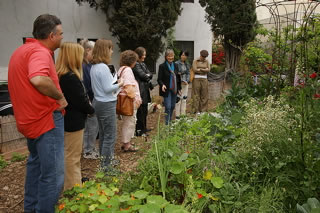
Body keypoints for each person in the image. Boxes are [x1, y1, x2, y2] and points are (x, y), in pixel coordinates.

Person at [8, 14, 67, 213]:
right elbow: (39, 79)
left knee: (35, 167)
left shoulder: (21, 50)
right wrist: (59, 97)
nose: (62, 37)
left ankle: (31, 209)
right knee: (53, 175)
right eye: (60, 34)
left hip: (29, 121)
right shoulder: (41, 53)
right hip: (46, 121)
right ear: (51, 35)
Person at [56, 42, 95, 190]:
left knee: (68, 154)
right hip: (74, 122)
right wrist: (91, 110)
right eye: (80, 55)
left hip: (67, 120)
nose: (82, 58)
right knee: (72, 156)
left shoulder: (61, 75)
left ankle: (74, 180)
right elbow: (80, 100)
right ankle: (73, 187)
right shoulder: (70, 77)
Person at [90, 39, 124, 174]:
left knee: (104, 134)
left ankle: (105, 161)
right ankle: (107, 167)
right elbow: (108, 88)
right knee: (110, 135)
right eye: (110, 48)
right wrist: (120, 83)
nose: (112, 51)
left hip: (99, 102)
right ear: (105, 50)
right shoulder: (103, 67)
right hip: (106, 103)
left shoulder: (95, 66)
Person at [80, 39, 99, 159]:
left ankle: (90, 147)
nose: (95, 54)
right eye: (94, 51)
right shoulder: (84, 66)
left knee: (92, 127)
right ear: (88, 50)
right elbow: (88, 85)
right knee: (90, 127)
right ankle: (88, 150)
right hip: (90, 101)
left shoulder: (88, 65)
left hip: (91, 100)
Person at [118, 50, 142, 151]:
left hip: (126, 100)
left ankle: (126, 142)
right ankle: (126, 144)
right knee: (129, 122)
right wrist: (135, 99)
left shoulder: (122, 69)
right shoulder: (127, 70)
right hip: (129, 101)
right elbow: (128, 86)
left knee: (128, 122)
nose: (136, 63)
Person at [132, 47, 153, 136]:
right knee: (140, 111)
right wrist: (146, 75)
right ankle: (139, 130)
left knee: (144, 110)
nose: (145, 56)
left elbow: (150, 74)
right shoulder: (136, 65)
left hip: (145, 89)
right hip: (140, 90)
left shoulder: (143, 64)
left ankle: (144, 128)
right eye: (143, 54)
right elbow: (143, 75)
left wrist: (147, 75)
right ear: (139, 55)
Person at [157, 49, 182, 125]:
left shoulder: (176, 65)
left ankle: (169, 120)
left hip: (174, 89)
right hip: (167, 89)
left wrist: (179, 89)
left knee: (172, 106)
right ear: (166, 57)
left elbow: (178, 78)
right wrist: (162, 85)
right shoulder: (162, 66)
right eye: (169, 56)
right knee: (167, 106)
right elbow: (159, 79)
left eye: (172, 56)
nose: (170, 57)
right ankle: (167, 123)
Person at [175, 50, 191, 118]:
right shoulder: (176, 63)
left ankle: (183, 114)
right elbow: (176, 74)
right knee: (178, 99)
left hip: (186, 84)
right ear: (180, 55)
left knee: (184, 99)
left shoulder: (187, 64)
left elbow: (188, 73)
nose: (183, 56)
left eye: (185, 55)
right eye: (182, 55)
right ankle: (177, 115)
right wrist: (181, 80)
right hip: (179, 84)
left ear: (187, 56)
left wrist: (187, 80)